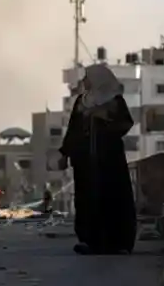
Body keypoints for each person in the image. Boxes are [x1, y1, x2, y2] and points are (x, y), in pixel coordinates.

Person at [58, 63, 137, 255]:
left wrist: (105, 118)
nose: (84, 81)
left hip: (109, 161)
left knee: (112, 198)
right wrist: (65, 153)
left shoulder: (115, 101)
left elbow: (126, 123)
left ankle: (116, 242)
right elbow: (73, 130)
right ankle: (89, 241)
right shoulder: (81, 102)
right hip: (84, 162)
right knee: (86, 199)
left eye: (87, 77)